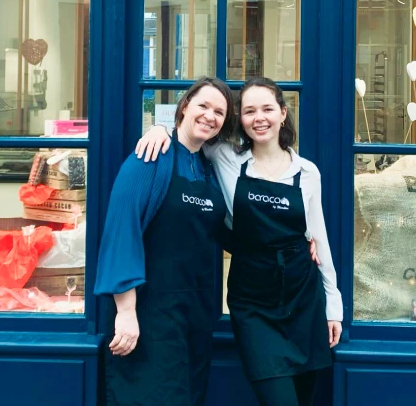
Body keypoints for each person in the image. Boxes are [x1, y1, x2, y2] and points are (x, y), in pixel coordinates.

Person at [136, 76, 343, 406]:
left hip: (303, 297)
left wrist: (333, 305)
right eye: (249, 111)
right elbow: (190, 133)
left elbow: (320, 240)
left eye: (267, 109)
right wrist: (159, 130)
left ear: (283, 113)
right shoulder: (226, 158)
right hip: (253, 300)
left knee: (306, 398)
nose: (259, 118)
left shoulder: (307, 172)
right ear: (241, 120)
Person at [94, 77, 235, 406]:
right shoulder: (150, 157)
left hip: (196, 316)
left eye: (219, 111)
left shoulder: (208, 167)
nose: (209, 116)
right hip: (149, 314)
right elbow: (121, 231)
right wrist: (126, 312)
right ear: (184, 106)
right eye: (203, 105)